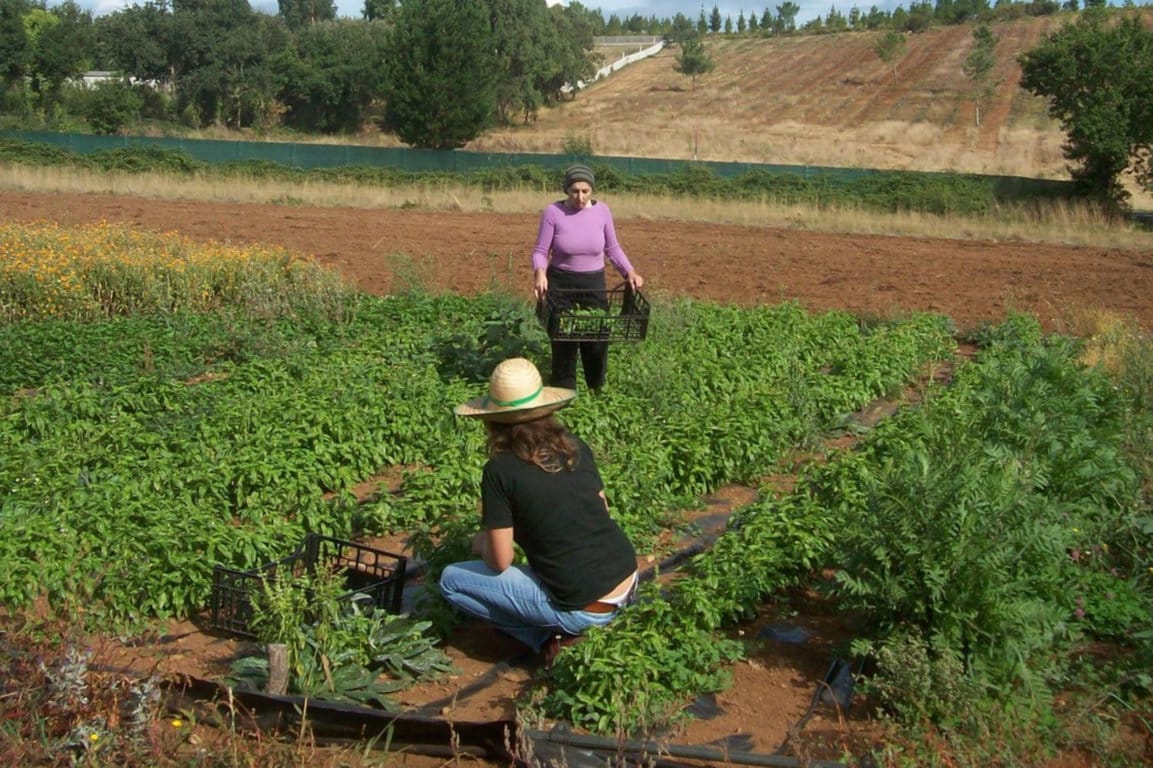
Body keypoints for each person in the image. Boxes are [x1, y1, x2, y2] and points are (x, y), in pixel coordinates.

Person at [439, 357, 639, 665]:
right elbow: (602, 506)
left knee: (451, 581)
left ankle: (545, 641)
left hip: (584, 606)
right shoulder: (573, 445)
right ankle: (570, 629)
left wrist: (481, 544)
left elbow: (501, 560)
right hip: (627, 580)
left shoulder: (499, 471)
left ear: (492, 421)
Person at [532, 164, 645, 392]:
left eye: (585, 191)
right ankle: (563, 393)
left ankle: (596, 389)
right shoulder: (553, 213)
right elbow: (540, 251)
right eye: (575, 191)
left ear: (592, 190)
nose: (580, 197)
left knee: (596, 338)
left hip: (593, 284)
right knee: (564, 339)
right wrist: (540, 273)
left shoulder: (602, 212)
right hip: (561, 284)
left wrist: (629, 271)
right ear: (566, 190)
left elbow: (612, 248)